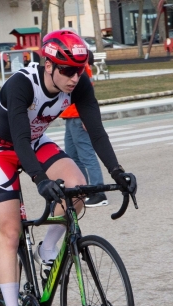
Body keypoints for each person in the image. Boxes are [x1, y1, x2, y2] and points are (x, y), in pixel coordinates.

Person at [0, 30, 134, 306]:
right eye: (67, 70)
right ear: (48, 65)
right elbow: (19, 140)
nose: (74, 77)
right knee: (10, 233)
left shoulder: (78, 83)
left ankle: (47, 248)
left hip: (36, 143)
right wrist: (39, 179)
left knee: (76, 187)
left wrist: (117, 172)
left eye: (80, 69)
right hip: (2, 149)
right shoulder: (21, 85)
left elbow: (96, 132)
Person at [62, 50, 108, 207]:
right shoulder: (78, 69)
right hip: (70, 116)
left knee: (86, 156)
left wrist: (85, 118)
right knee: (72, 156)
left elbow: (86, 97)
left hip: (77, 116)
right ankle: (84, 188)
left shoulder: (81, 70)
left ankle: (98, 192)